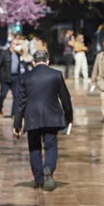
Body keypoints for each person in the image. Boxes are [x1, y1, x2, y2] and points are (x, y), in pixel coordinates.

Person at [13, 50, 73, 191]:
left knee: (34, 148)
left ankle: (38, 179)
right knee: (51, 146)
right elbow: (66, 99)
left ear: (33, 62)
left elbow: (20, 103)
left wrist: (17, 124)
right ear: (47, 61)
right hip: (51, 117)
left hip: (32, 118)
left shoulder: (25, 77)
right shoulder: (56, 75)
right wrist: (69, 117)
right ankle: (48, 168)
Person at [0, 38, 22, 117]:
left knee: (16, 96)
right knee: (2, 95)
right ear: (11, 44)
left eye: (18, 44)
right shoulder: (4, 53)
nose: (16, 46)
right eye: (15, 44)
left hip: (16, 77)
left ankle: (14, 113)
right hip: (5, 78)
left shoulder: (18, 54)